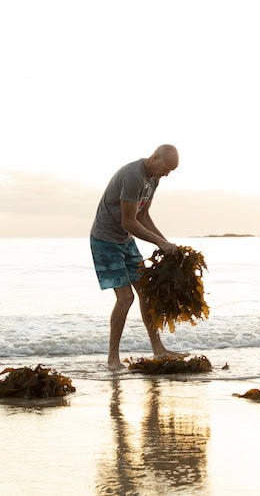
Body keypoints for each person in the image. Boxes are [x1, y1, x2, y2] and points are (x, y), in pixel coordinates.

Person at [90, 144, 189, 370]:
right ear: (154, 157)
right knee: (125, 298)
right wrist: (159, 243)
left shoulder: (153, 179)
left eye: (170, 171)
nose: (166, 174)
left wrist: (166, 243)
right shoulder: (133, 176)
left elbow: (142, 215)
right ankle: (112, 358)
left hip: (125, 241)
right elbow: (128, 221)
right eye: (165, 168)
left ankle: (158, 349)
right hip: (105, 241)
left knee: (146, 292)